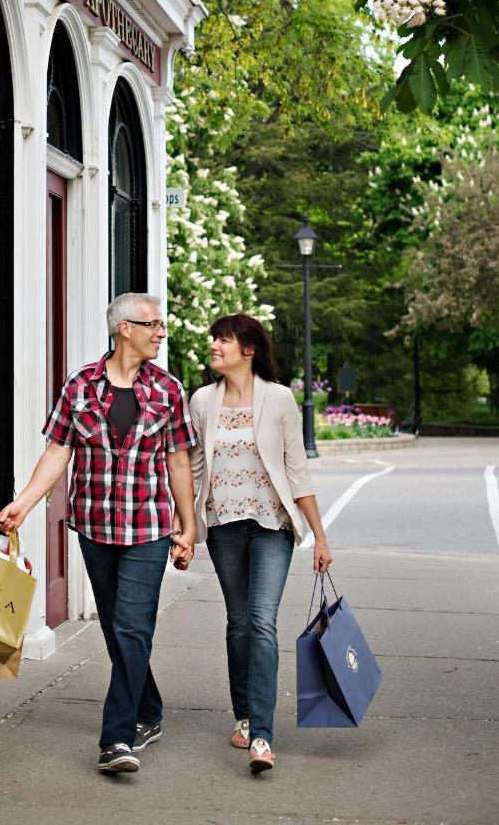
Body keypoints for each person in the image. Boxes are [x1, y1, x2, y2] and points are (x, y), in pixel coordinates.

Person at [0, 292, 197, 775]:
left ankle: (117, 738)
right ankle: (148, 709)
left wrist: (187, 527)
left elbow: (178, 460)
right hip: (95, 526)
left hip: (148, 526)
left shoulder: (168, 390)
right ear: (124, 328)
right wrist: (22, 505)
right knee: (116, 626)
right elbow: (58, 452)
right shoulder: (80, 385)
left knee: (132, 625)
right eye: (153, 324)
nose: (160, 332)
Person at [186, 313, 332, 775]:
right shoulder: (202, 401)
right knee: (238, 623)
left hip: (271, 524)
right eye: (213, 338)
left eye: (223, 340)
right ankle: (245, 716)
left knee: (261, 620)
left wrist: (320, 536)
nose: (214, 345)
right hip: (224, 523)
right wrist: (186, 527)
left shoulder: (279, 398)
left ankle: (262, 736)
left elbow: (297, 472)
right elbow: (192, 470)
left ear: (248, 350)